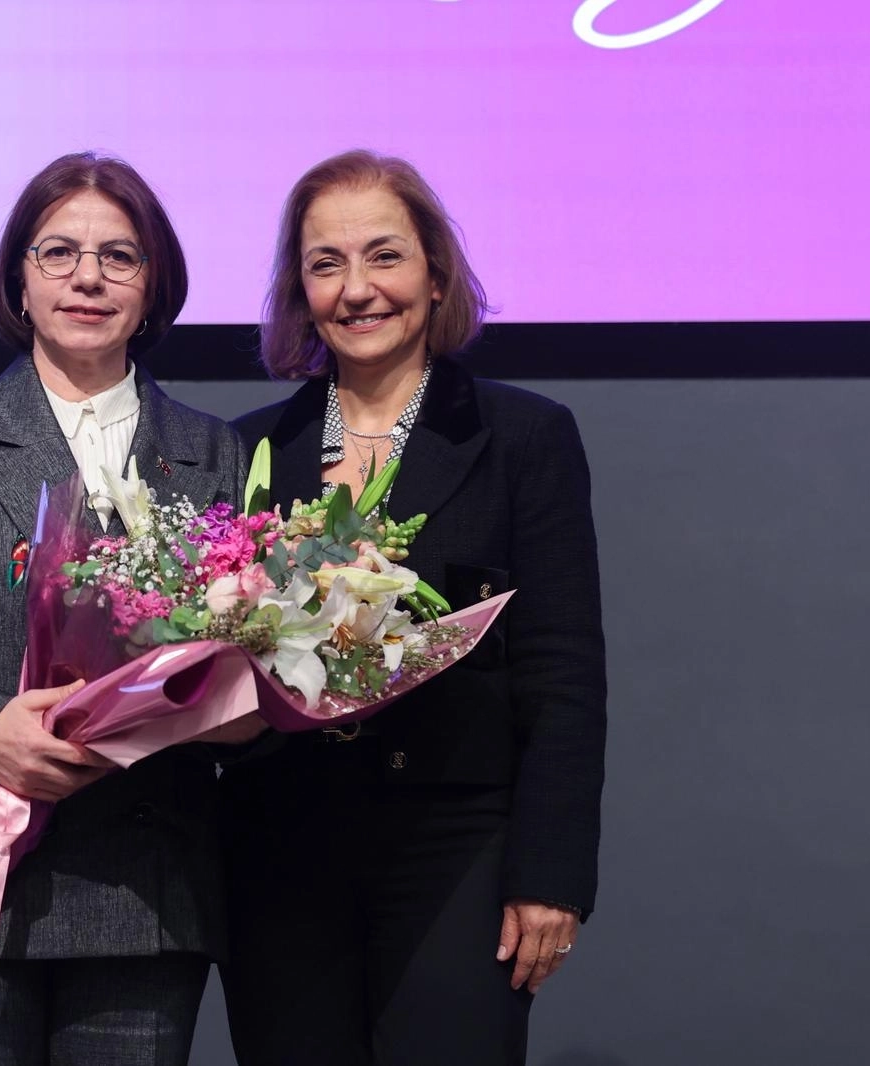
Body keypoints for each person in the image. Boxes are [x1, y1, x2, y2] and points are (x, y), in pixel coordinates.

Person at [0, 151, 248, 1066]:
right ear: (19, 282)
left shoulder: (214, 451)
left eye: (119, 256)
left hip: (147, 887)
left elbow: (243, 650)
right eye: (58, 252)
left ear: (154, 285)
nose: (87, 278)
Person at [219, 150, 607, 1065]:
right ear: (300, 292)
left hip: (457, 849)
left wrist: (551, 876)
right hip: (279, 848)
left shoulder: (524, 437)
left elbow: (562, 672)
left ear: (436, 275)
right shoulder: (245, 451)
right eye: (326, 264)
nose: (358, 289)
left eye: (384, 256)